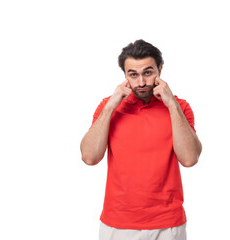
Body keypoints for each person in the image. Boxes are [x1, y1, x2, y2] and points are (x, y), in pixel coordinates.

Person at [80, 39, 202, 240]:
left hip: (168, 224)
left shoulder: (180, 107)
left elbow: (189, 159)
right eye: (133, 75)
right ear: (125, 76)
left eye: (148, 72)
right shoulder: (108, 106)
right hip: (118, 223)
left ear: (160, 70)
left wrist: (171, 105)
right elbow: (89, 157)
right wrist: (111, 106)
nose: (141, 82)